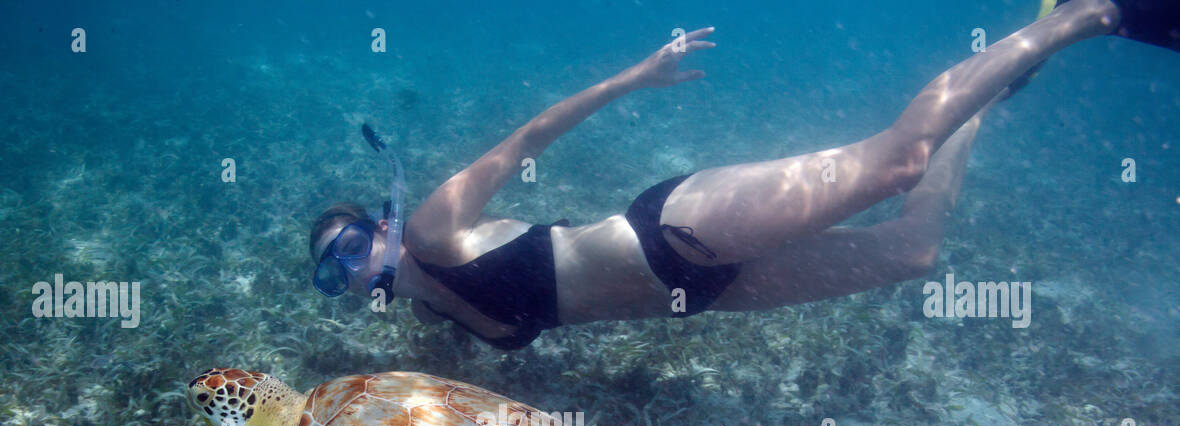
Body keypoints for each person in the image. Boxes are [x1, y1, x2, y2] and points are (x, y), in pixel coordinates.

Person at [310, 0, 1179, 351]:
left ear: (377, 226)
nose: (346, 273)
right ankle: (991, 94)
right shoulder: (425, 308)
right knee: (912, 249)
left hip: (674, 232)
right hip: (705, 295)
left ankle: (1089, 12)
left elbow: (527, 137)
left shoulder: (428, 229)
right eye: (329, 273)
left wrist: (633, 78)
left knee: (897, 162)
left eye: (345, 247)